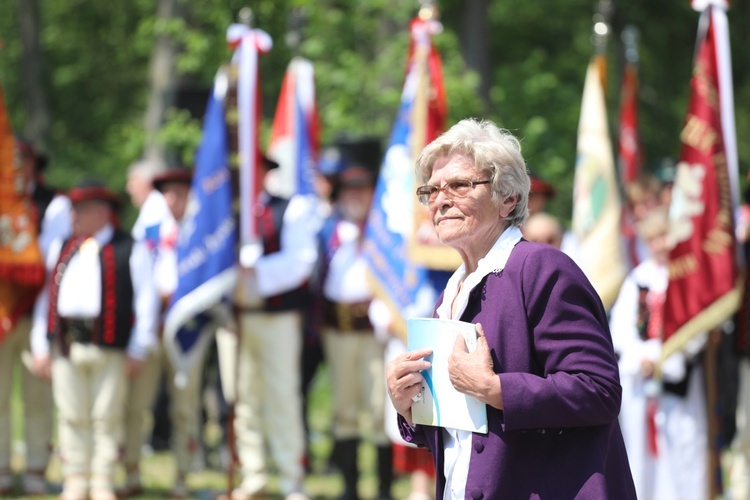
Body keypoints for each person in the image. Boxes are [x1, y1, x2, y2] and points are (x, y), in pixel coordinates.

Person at [385, 118, 636, 499]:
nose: (440, 200)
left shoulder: (542, 268)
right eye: (431, 190)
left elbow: (599, 391)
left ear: (509, 199)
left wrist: (495, 388)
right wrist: (409, 406)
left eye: (459, 185)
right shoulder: (449, 294)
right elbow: (462, 434)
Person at [30, 180, 159, 500]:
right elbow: (46, 299)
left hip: (111, 345)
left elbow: (147, 300)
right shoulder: (63, 247)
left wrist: (139, 346)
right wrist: (41, 344)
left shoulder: (130, 247)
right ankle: (75, 479)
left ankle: (101, 480)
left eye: (81, 210)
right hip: (67, 344)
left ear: (103, 212)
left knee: (106, 415)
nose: (74, 217)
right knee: (72, 413)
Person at [231, 156, 320, 500]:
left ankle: (290, 477)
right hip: (238, 317)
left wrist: (253, 272)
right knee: (242, 397)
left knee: (282, 394)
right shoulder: (229, 212)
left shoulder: (290, 209)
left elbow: (301, 261)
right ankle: (253, 473)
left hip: (278, 316)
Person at [609, 206, 709, 499]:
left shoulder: (688, 277)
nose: (660, 245)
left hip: (679, 380)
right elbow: (621, 330)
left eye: (665, 237)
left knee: (683, 446)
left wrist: (665, 357)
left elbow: (697, 328)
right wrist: (641, 357)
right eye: (653, 239)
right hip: (641, 380)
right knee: (641, 451)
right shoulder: (638, 278)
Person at [316, 139, 393, 500]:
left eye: (362, 190)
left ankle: (383, 488)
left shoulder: (384, 233)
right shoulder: (329, 231)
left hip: (375, 331)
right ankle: (349, 488)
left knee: (380, 407)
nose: (356, 197)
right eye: (350, 190)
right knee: (343, 407)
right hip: (338, 329)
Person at [0, 138, 70, 496]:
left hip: (35, 310)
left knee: (37, 395)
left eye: (20, 161)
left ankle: (35, 469)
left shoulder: (53, 204)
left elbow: (48, 261)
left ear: (32, 165)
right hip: (1, 313)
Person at [120, 158, 172, 497]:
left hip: (160, 318)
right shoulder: (152, 213)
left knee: (138, 403)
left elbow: (153, 275)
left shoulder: (156, 212)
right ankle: (134, 470)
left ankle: (134, 471)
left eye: (131, 181)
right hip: (156, 318)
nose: (127, 189)